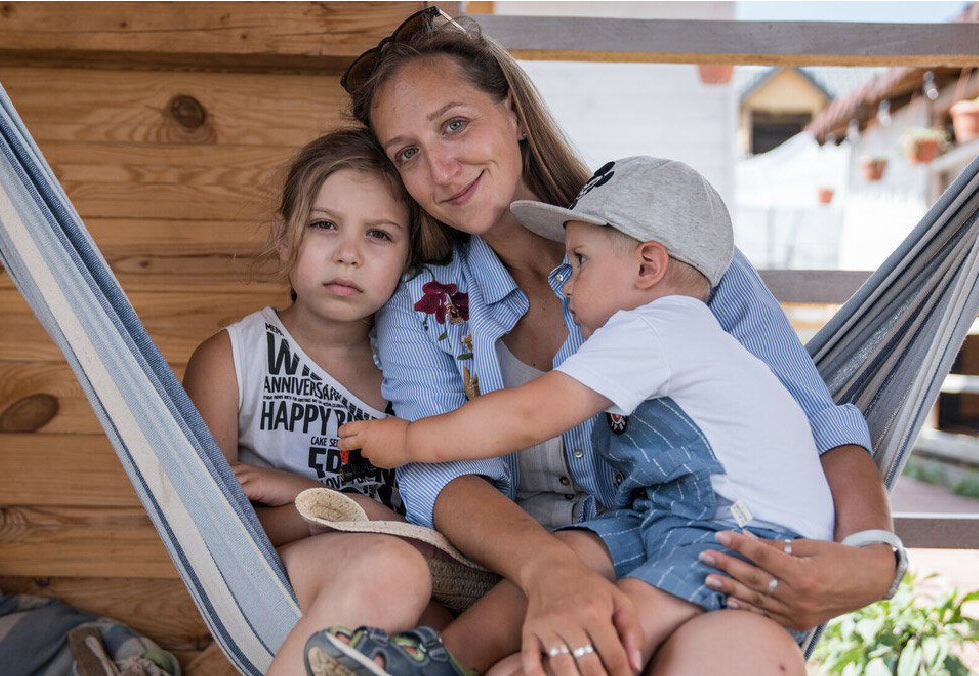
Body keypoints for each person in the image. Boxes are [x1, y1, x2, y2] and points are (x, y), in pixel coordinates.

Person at [311, 8, 904, 676]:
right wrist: (546, 573)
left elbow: (815, 417)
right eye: (408, 153)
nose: (442, 168)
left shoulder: (678, 267)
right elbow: (445, 476)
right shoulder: (425, 304)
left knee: (739, 655)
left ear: (512, 112)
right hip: (521, 578)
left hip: (702, 561)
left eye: (455, 124)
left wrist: (875, 557)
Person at [334, 155, 835, 675]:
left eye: (579, 261)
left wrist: (411, 440)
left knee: (598, 625)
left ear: (647, 267)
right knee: (573, 554)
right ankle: (442, 658)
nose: (564, 283)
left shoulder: (655, 329)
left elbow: (531, 414)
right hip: (673, 517)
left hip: (747, 538)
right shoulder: (677, 334)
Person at [181, 127, 453, 676]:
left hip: (401, 575)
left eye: (379, 234)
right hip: (269, 578)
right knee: (392, 569)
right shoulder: (232, 359)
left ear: (408, 258)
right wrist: (319, 518)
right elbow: (206, 534)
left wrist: (310, 498)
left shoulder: (420, 375)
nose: (348, 254)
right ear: (285, 239)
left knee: (454, 632)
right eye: (324, 225)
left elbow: (430, 532)